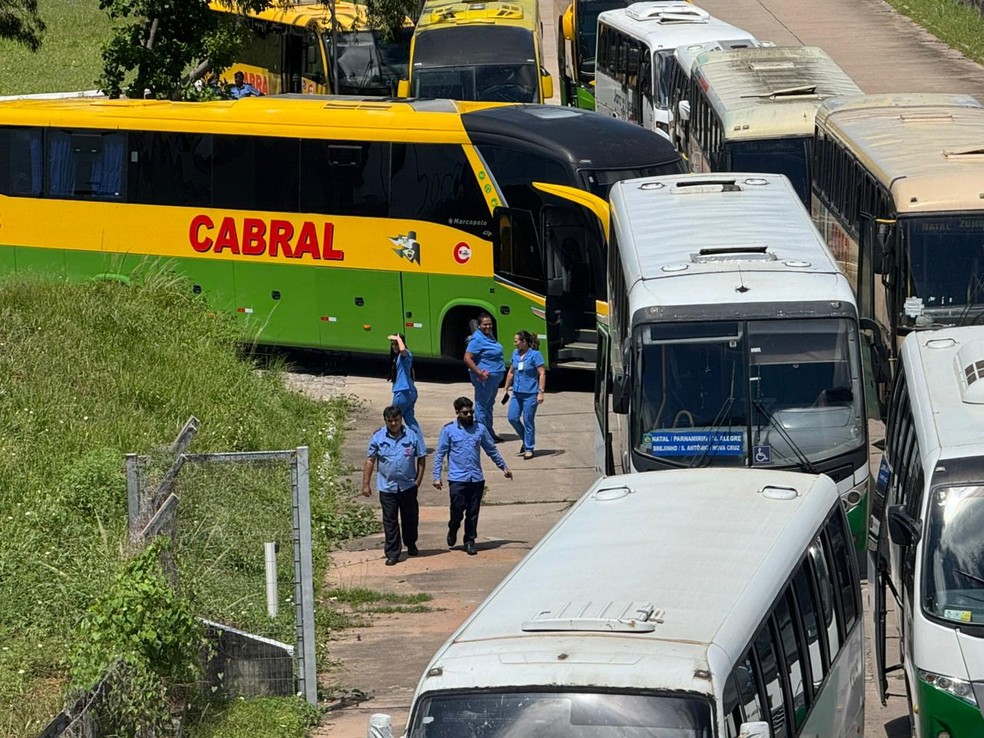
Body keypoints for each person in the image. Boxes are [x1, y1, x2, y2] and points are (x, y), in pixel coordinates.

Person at [432, 396, 512, 556]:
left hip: (476, 478)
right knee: (457, 510)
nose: (469, 415)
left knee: (473, 512)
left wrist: (503, 466)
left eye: (471, 412)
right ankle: (453, 527)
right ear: (457, 412)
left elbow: (491, 449)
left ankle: (469, 540)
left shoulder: (480, 429)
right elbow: (440, 454)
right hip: (457, 479)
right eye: (465, 413)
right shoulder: (448, 430)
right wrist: (437, 476)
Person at [363, 406, 426, 566]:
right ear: (385, 421)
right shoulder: (378, 437)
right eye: (390, 421)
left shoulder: (412, 435)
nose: (393, 423)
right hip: (387, 487)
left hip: (408, 487)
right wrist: (366, 484)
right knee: (390, 521)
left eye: (396, 420)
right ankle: (392, 553)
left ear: (401, 419)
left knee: (410, 519)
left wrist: (418, 480)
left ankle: (411, 543)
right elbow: (370, 460)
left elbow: (421, 457)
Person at [502, 330, 546, 459]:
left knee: (528, 420)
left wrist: (541, 392)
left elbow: (542, 373)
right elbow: (511, 372)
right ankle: (525, 439)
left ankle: (529, 447)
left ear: (524, 342)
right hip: (517, 392)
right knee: (512, 418)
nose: (514, 343)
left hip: (530, 393)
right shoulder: (515, 354)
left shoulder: (535, 355)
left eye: (516, 341)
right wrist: (506, 388)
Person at [463, 312, 506, 442]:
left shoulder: (489, 335)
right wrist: (479, 372)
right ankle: (483, 435)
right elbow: (467, 358)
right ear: (479, 325)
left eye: (490, 324)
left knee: (489, 405)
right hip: (484, 380)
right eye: (485, 324)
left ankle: (489, 432)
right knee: (482, 406)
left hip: (494, 379)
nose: (488, 326)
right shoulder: (477, 339)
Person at [388, 333, 421, 439]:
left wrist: (399, 338)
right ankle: (419, 446)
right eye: (392, 344)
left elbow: (403, 350)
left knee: (392, 417)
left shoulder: (406, 356)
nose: (394, 346)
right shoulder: (396, 358)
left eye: (396, 344)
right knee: (410, 419)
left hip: (403, 392)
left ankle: (393, 440)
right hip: (409, 392)